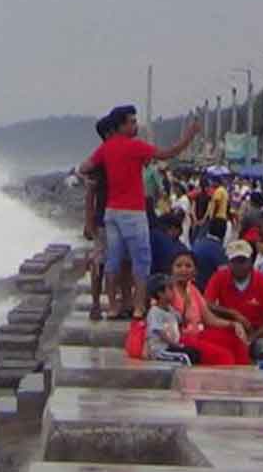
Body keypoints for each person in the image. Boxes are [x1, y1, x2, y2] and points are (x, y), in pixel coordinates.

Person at [79, 105, 201, 320]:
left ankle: (114, 307)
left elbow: (84, 166)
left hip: (111, 212)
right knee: (140, 260)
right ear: (121, 125)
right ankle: (138, 307)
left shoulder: (106, 148)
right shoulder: (135, 147)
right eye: (132, 122)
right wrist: (189, 136)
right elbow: (168, 153)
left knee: (113, 261)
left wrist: (91, 181)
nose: (136, 125)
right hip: (132, 211)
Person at [169, 251, 251, 365]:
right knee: (224, 356)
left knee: (235, 340)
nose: (183, 270)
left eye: (188, 266)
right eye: (178, 266)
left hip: (197, 335)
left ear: (195, 271)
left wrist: (234, 324)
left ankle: (244, 378)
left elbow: (209, 319)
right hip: (179, 339)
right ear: (172, 269)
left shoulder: (193, 290)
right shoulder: (167, 291)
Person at [205, 240, 263, 361]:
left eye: (242, 261)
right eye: (234, 261)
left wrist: (250, 338)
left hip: (258, 333)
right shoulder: (219, 277)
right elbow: (207, 304)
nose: (239, 266)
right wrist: (233, 314)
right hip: (229, 329)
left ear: (251, 261)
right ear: (228, 262)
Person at [82, 115, 115, 321]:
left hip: (117, 216)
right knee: (100, 262)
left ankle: (112, 302)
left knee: (111, 262)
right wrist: (88, 221)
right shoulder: (100, 159)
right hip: (104, 218)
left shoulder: (110, 156)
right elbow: (90, 192)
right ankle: (96, 304)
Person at [145, 273, 200, 365]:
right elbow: (160, 332)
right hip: (160, 348)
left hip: (170, 346)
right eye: (170, 289)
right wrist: (174, 344)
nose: (173, 292)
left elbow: (182, 321)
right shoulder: (155, 312)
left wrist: (187, 304)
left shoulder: (171, 310)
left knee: (194, 353)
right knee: (184, 358)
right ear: (160, 293)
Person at [192, 218, 228, 291]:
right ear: (224, 233)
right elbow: (225, 275)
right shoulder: (219, 250)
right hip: (205, 289)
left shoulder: (197, 242)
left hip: (192, 286)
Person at [171, 183, 192, 247]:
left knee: (183, 239)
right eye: (175, 189)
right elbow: (171, 208)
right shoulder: (174, 198)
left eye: (177, 189)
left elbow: (182, 213)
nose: (176, 190)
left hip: (184, 222)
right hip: (176, 222)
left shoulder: (184, 199)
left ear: (181, 190)